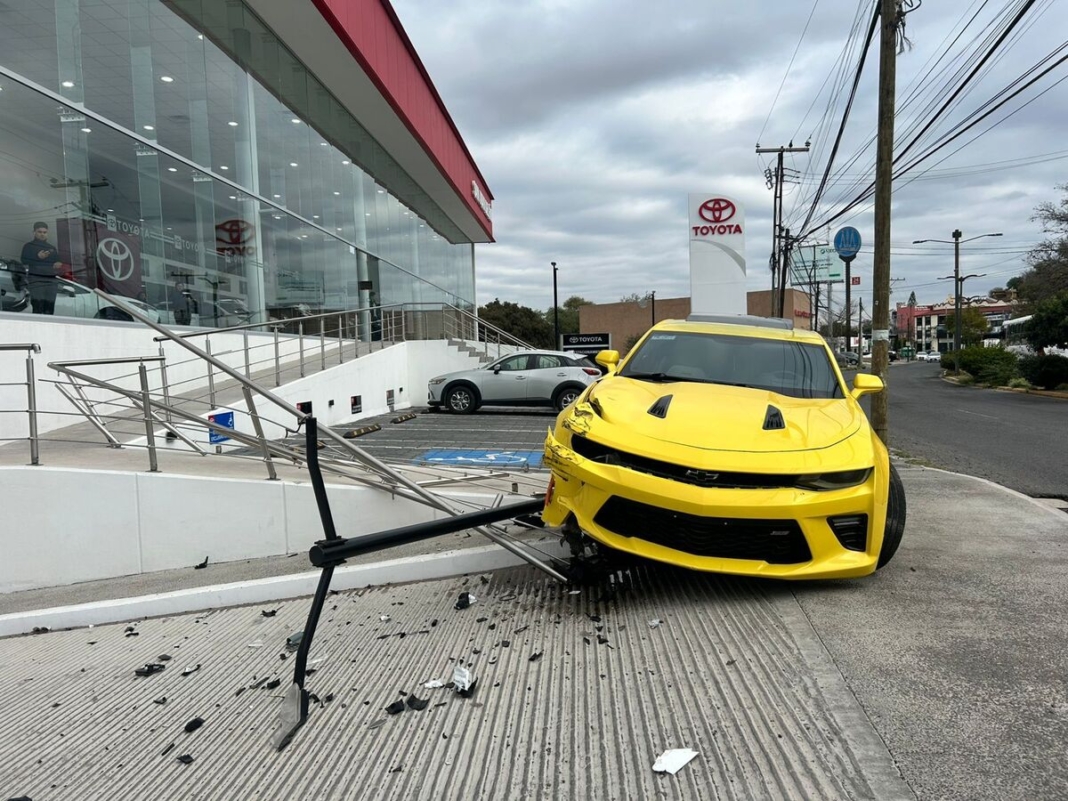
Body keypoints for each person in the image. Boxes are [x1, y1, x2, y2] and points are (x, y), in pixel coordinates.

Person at [20, 221, 63, 314]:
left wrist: (58, 264)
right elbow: (24, 261)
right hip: (36, 280)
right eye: (39, 232)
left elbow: (58, 261)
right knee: (37, 307)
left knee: (50, 308)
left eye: (44, 232)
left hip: (51, 281)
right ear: (34, 232)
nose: (42, 234)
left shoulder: (51, 248)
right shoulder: (28, 246)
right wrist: (37, 257)